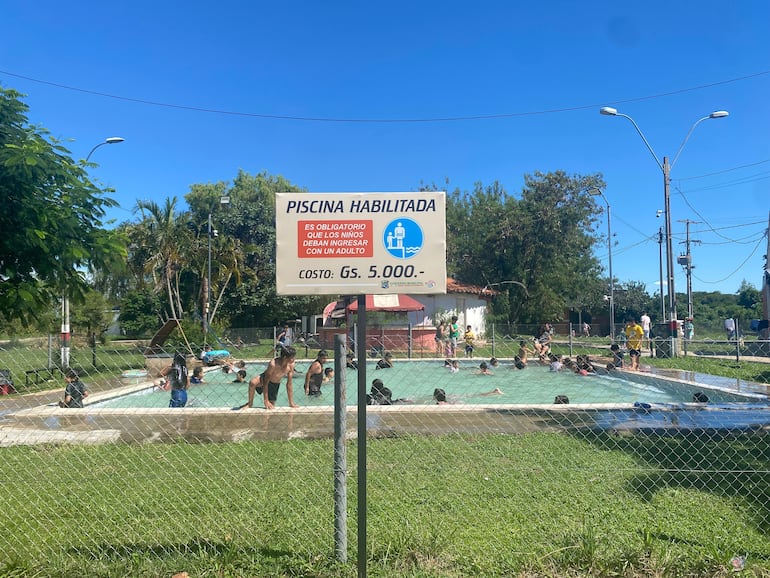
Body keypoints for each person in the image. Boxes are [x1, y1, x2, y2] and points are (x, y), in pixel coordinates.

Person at [236, 346, 298, 410]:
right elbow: (266, 381)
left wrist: (291, 402)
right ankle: (250, 403)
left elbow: (289, 384)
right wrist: (266, 400)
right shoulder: (273, 364)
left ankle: (272, 403)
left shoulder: (291, 365)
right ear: (285, 358)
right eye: (292, 358)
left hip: (275, 384)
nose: (294, 359)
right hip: (264, 379)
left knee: (270, 407)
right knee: (252, 382)